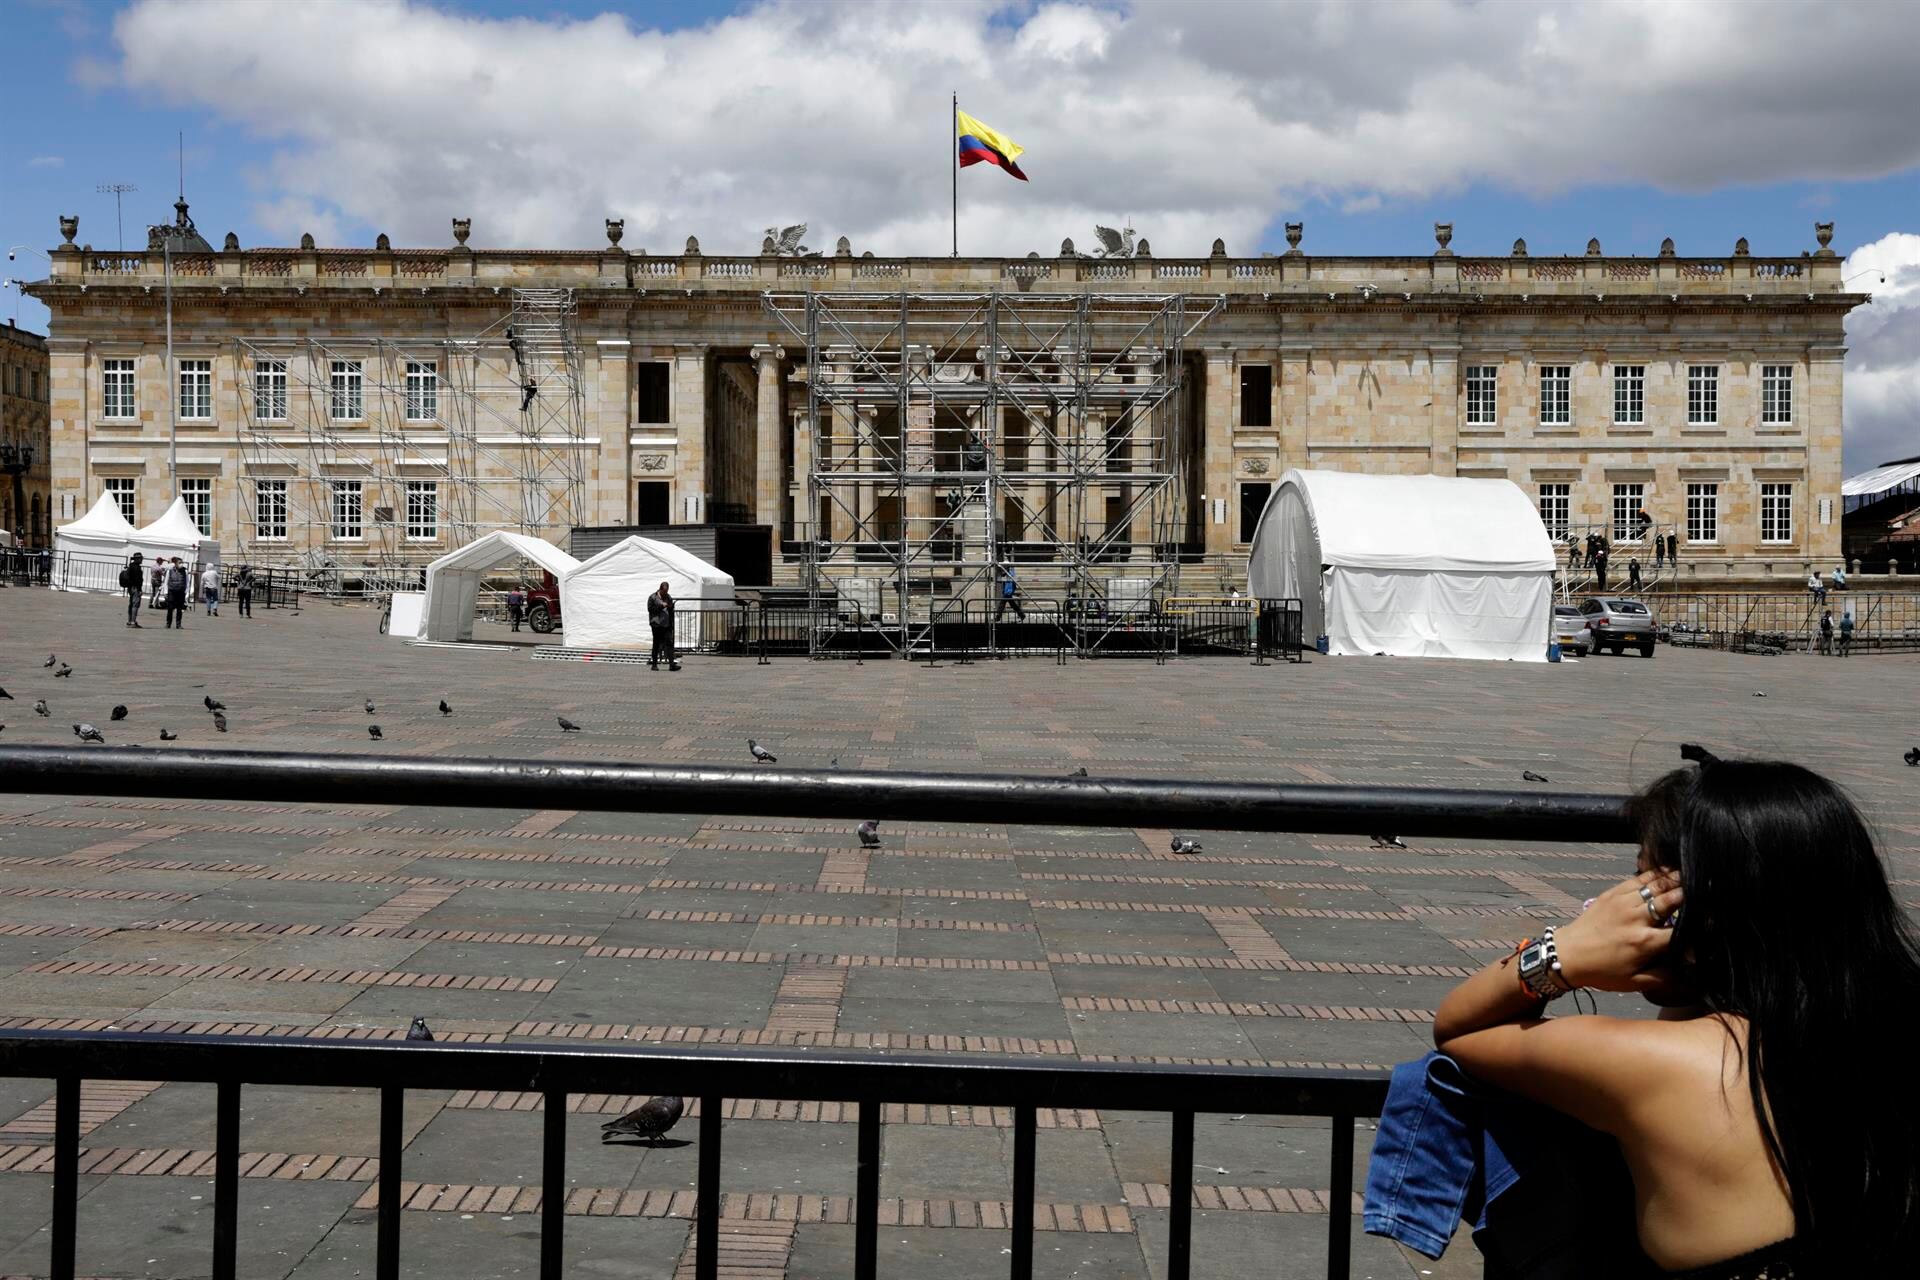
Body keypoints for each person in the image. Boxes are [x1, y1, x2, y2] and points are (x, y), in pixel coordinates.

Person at [1366, 755, 1920, 1275]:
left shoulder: (1668, 1064)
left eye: (1647, 893)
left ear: (1698, 914)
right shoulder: (1890, 1022)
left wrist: (1566, 953)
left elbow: (1461, 1028)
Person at [647, 580, 680, 671]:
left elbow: (671, 609)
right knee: (656, 644)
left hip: (666, 625)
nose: (666, 593)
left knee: (669, 644)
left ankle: (672, 665)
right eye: (664, 592)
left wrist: (670, 607)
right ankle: (654, 665)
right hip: (656, 624)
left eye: (667, 591)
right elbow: (650, 609)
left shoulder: (668, 597)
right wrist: (661, 606)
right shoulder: (653, 597)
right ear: (660, 589)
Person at [119, 552, 145, 628]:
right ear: (137, 559)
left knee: (131, 604)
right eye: (141, 558)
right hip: (135, 588)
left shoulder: (131, 566)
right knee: (135, 605)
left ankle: (130, 621)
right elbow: (137, 580)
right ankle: (133, 622)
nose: (142, 560)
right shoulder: (136, 568)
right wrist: (139, 589)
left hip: (130, 588)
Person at [162, 557, 189, 629]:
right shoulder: (170, 571)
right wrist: (165, 592)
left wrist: (186, 592)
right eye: (179, 563)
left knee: (180, 609)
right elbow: (166, 582)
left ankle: (178, 624)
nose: (181, 564)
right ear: (176, 563)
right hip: (172, 591)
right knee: (170, 608)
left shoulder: (185, 571)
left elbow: (187, 582)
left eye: (182, 563)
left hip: (181, 592)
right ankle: (168, 623)